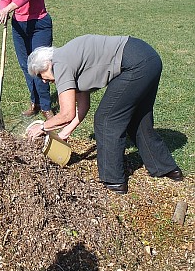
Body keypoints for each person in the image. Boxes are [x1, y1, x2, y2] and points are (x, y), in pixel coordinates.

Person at [26, 34, 184, 195]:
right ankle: (165, 168)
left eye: (40, 75)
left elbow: (66, 113)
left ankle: (113, 180)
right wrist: (64, 133)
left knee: (106, 119)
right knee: (138, 119)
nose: (44, 81)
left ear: (46, 64)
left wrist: (43, 127)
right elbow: (83, 106)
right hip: (149, 58)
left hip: (134, 64)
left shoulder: (60, 65)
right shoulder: (68, 58)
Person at [0, 0, 54, 120]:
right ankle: (34, 102)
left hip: (39, 25)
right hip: (19, 27)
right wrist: (3, 10)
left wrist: (8, 9)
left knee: (41, 65)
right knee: (25, 66)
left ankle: (46, 107)